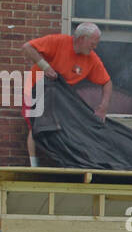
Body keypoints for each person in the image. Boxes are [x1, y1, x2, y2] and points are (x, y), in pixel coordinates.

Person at [20, 22, 114, 166]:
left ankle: (63, 163)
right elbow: (27, 47)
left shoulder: (91, 59)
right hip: (35, 89)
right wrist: (45, 67)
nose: (95, 47)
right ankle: (34, 165)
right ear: (82, 38)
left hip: (60, 97)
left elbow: (107, 82)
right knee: (35, 126)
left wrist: (103, 107)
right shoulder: (58, 42)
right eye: (92, 44)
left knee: (63, 128)